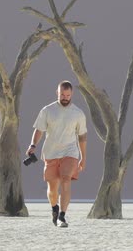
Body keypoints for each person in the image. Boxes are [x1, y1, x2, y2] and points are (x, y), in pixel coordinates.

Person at [26, 80, 87, 227]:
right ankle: (55, 208)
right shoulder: (47, 110)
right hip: (51, 153)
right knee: (52, 189)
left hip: (70, 153)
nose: (65, 97)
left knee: (66, 179)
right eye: (62, 94)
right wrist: (33, 145)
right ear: (57, 93)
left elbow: (82, 136)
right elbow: (39, 129)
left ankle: (62, 216)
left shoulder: (78, 113)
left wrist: (83, 157)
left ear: (71, 94)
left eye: (67, 95)